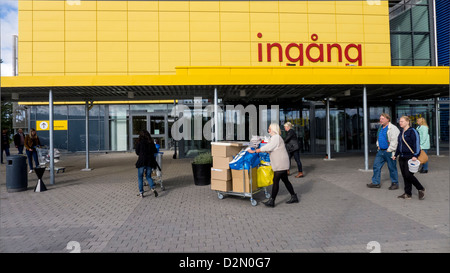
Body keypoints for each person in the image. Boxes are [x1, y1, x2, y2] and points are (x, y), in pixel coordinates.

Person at [248, 123, 298, 207]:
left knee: (276, 181)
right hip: (281, 162)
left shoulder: (276, 137)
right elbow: (271, 148)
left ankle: (272, 201)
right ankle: (294, 196)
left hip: (280, 162)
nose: (268, 130)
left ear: (273, 129)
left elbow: (269, 147)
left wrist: (255, 151)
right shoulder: (275, 138)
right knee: (285, 180)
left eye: (269, 129)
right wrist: (263, 149)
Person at [393, 116, 425, 200]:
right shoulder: (401, 132)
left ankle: (420, 188)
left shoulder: (413, 131)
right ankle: (407, 193)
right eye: (399, 121)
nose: (400, 123)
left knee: (408, 175)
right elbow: (399, 145)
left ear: (407, 122)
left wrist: (415, 155)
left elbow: (417, 144)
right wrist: (396, 155)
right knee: (404, 176)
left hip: (410, 157)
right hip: (401, 157)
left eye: (402, 121)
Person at [367, 113, 400, 190]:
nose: (380, 120)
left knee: (392, 168)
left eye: (382, 118)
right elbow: (379, 137)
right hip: (380, 151)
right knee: (376, 166)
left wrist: (389, 149)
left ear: (388, 119)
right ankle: (376, 183)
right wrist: (378, 145)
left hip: (389, 151)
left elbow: (395, 141)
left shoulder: (393, 128)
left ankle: (395, 183)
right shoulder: (380, 128)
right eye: (380, 118)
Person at [135, 129, 158, 198]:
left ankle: (141, 192)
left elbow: (137, 152)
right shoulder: (150, 142)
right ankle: (153, 188)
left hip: (141, 162)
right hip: (149, 162)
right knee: (148, 176)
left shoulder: (139, 142)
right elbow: (155, 151)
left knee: (140, 177)